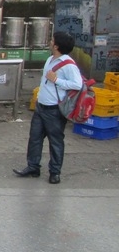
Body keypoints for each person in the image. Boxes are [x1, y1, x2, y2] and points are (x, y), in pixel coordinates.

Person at [13, 31, 82, 184]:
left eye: (52, 40)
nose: (50, 42)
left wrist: (57, 80)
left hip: (54, 110)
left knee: (55, 141)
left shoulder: (68, 64)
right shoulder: (50, 59)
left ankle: (55, 172)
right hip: (41, 107)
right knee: (35, 139)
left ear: (56, 46)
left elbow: (77, 84)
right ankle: (33, 167)